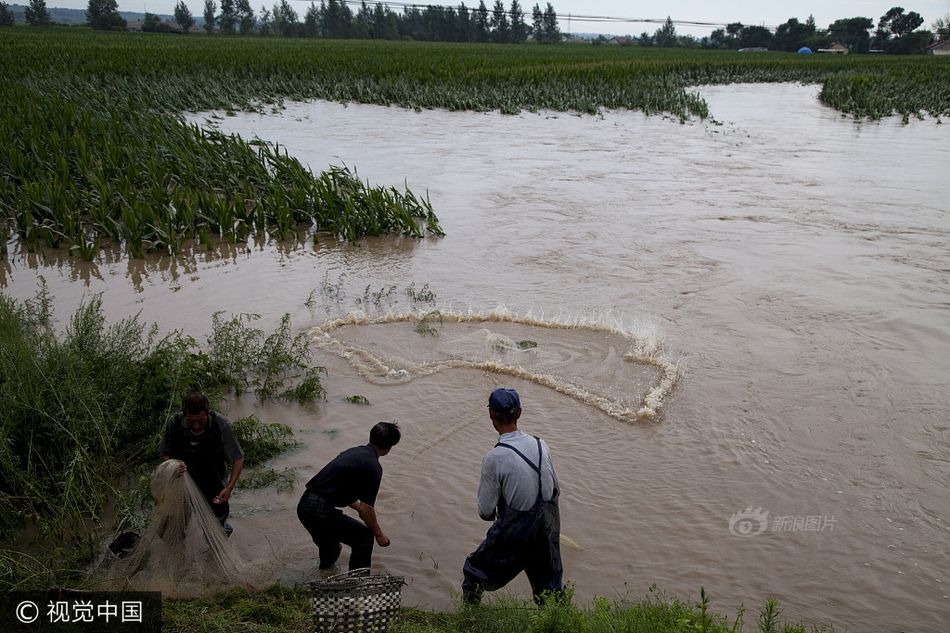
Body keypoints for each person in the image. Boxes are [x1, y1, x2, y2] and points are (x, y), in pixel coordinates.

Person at [462, 387, 564, 605]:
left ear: (491, 415)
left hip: (517, 534)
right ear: (520, 413)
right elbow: (554, 488)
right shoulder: (541, 444)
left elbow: (485, 511)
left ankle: (468, 620)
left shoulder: (494, 458)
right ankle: (558, 624)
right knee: (550, 591)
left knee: (474, 572)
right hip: (547, 531)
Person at [297, 421, 401, 572]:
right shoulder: (373, 467)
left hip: (305, 506)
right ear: (390, 447)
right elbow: (367, 508)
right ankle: (358, 585)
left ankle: (324, 576)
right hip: (320, 510)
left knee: (331, 546)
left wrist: (357, 507)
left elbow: (336, 487)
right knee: (364, 537)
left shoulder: (353, 452)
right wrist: (379, 534)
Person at [159, 391, 244, 536]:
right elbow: (165, 452)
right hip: (182, 481)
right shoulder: (174, 423)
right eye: (191, 421)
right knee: (171, 529)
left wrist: (229, 488)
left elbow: (238, 458)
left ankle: (217, 545)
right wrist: (173, 465)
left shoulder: (220, 425)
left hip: (213, 482)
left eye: (201, 420)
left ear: (208, 413)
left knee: (216, 530)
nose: (196, 425)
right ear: (184, 414)